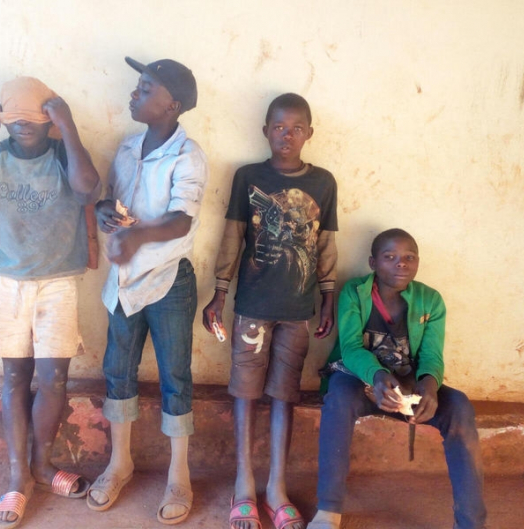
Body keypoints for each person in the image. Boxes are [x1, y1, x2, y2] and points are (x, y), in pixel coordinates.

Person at [0, 76, 101, 529]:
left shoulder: (61, 153)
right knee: (15, 377)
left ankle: (42, 465)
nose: (23, 126)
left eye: (33, 118)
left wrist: (68, 127)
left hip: (57, 282)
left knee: (54, 379)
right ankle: (18, 477)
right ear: (2, 118)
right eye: (13, 118)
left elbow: (88, 189)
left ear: (48, 118)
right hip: (8, 282)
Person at [202, 93, 338, 529]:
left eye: (297, 128)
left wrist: (328, 298)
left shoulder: (324, 183)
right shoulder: (248, 177)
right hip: (252, 309)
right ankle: (244, 484)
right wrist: (219, 293)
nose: (287, 135)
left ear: (309, 134)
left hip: (297, 311)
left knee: (284, 395)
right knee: (245, 394)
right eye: (279, 127)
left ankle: (277, 488)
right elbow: (232, 238)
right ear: (265, 131)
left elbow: (325, 245)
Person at [88, 56, 207, 526]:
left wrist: (138, 236)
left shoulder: (187, 155)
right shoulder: (126, 147)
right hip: (124, 281)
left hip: (167, 279)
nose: (134, 94)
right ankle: (120, 463)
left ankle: (179, 475)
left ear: (172, 104)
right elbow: (109, 197)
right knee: (118, 369)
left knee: (175, 374)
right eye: (136, 87)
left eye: (145, 88)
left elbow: (181, 220)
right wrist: (104, 210)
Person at [309, 228, 487, 529]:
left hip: (408, 387)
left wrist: (429, 385)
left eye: (409, 257)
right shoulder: (355, 292)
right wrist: (378, 377)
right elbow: (351, 348)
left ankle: (471, 522)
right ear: (373, 263)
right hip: (360, 381)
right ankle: (328, 510)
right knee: (338, 396)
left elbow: (432, 355)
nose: (401, 263)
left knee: (458, 405)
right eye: (389, 257)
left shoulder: (430, 300)